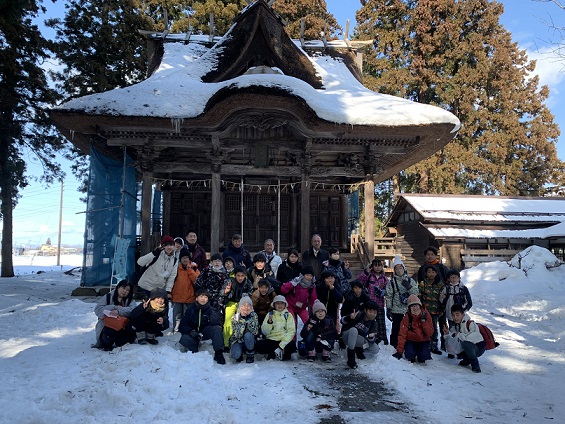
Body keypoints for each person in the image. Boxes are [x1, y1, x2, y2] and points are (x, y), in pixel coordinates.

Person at [178, 289, 226, 364]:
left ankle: (218, 353)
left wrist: (216, 310)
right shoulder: (190, 309)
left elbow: (215, 323)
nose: (203, 299)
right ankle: (194, 348)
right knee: (184, 339)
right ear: (197, 298)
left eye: (205, 297)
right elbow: (182, 325)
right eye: (201, 296)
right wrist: (191, 331)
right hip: (193, 333)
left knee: (217, 329)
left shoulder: (210, 308)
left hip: (204, 331)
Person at [416, 246, 450, 351]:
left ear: (435, 255)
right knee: (431, 324)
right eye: (428, 255)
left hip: (441, 300)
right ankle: (432, 343)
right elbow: (420, 284)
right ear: (425, 256)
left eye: (432, 254)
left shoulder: (442, 268)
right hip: (428, 303)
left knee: (443, 323)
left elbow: (448, 281)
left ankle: (446, 344)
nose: (430, 256)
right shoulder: (422, 268)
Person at [386, 255, 419, 349]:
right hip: (396, 309)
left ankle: (408, 344)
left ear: (404, 268)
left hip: (409, 309)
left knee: (409, 328)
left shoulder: (410, 280)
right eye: (396, 268)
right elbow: (389, 296)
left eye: (401, 267)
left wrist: (409, 286)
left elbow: (415, 294)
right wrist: (388, 308)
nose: (399, 270)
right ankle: (394, 345)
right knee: (396, 327)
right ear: (394, 270)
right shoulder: (392, 282)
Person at [93, 280, 136, 350]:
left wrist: (119, 311)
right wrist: (113, 307)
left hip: (122, 326)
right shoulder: (108, 297)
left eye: (128, 290)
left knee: (122, 342)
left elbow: (133, 310)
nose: (125, 291)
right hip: (107, 326)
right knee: (107, 338)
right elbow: (98, 310)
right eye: (123, 288)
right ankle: (106, 342)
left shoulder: (130, 300)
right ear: (118, 287)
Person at [442, 304, 485, 373]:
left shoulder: (470, 324)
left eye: (457, 314)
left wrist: (460, 335)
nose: (455, 317)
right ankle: (467, 360)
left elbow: (476, 337)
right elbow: (452, 340)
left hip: (479, 346)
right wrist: (447, 334)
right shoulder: (455, 326)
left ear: (463, 314)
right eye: (453, 315)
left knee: (465, 343)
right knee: (457, 345)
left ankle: (475, 365)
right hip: (468, 347)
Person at [392, 295, 434, 364]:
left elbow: (430, 333)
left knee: (424, 356)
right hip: (411, 340)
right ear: (409, 308)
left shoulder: (426, 315)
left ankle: (422, 353)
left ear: (420, 306)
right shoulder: (407, 317)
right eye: (412, 306)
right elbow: (402, 334)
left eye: (416, 305)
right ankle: (412, 352)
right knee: (409, 355)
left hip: (423, 341)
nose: (415, 308)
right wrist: (399, 352)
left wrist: (424, 322)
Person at [280, 265, 318, 340]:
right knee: (292, 323)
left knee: (308, 322)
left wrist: (314, 312)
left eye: (311, 276)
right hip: (290, 306)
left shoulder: (311, 286)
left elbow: (313, 300)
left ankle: (309, 340)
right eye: (307, 275)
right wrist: (292, 284)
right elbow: (283, 289)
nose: (309, 277)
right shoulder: (296, 282)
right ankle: (292, 342)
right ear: (303, 275)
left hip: (302, 308)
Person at [357, 258, 389, 345]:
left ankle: (383, 341)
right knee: (368, 322)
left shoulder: (385, 278)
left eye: (379, 265)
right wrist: (366, 272)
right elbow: (359, 281)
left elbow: (389, 290)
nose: (378, 268)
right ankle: (367, 339)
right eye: (376, 265)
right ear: (372, 266)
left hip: (380, 304)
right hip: (370, 304)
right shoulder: (369, 276)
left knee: (381, 324)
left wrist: (383, 292)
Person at [341, 300, 382, 369]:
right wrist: (349, 317)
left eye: (374, 313)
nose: (372, 314)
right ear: (365, 310)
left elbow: (372, 338)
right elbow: (342, 321)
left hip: (359, 339)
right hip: (347, 337)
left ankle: (359, 348)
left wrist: (370, 337)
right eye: (370, 311)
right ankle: (351, 359)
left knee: (375, 349)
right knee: (354, 330)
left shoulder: (374, 324)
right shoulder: (359, 315)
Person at [255, 295, 296, 360]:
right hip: (272, 339)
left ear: (285, 305)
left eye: (282, 303)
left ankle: (283, 353)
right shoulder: (270, 314)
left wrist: (281, 346)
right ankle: (272, 353)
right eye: (277, 303)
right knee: (259, 346)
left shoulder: (288, 315)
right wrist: (269, 323)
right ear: (274, 305)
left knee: (292, 346)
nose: (280, 305)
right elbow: (265, 332)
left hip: (283, 340)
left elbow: (291, 331)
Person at [222, 265, 254, 349]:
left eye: (242, 276)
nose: (240, 278)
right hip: (231, 302)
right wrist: (226, 292)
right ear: (235, 275)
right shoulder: (229, 281)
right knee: (228, 321)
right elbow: (222, 294)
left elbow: (250, 292)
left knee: (242, 321)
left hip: (242, 303)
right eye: (238, 275)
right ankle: (226, 343)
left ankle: (240, 341)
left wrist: (246, 296)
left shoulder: (247, 282)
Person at [171, 248, 200, 333]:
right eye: (183, 257)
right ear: (180, 259)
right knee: (177, 315)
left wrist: (189, 270)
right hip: (177, 296)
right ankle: (176, 330)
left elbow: (197, 281)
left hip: (189, 296)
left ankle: (186, 330)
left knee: (187, 315)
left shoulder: (194, 268)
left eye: (187, 257)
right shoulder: (175, 268)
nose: (185, 259)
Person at [418, 265, 445, 355]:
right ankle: (425, 344)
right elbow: (419, 295)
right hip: (425, 310)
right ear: (425, 273)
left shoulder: (440, 284)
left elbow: (443, 296)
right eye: (429, 272)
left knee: (434, 328)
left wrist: (442, 307)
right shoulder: (423, 283)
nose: (431, 274)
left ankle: (434, 345)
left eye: (433, 272)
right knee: (424, 327)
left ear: (436, 273)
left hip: (435, 310)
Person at [229, 296, 260, 363]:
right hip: (238, 341)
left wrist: (248, 320)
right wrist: (242, 320)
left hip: (250, 341)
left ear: (251, 307)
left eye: (248, 305)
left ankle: (250, 353)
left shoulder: (254, 315)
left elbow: (255, 331)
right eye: (244, 305)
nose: (246, 308)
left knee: (248, 335)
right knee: (235, 355)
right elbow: (237, 335)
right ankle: (240, 353)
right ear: (240, 307)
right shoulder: (235, 317)